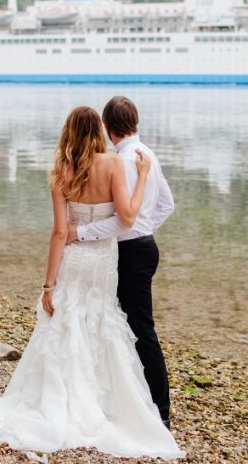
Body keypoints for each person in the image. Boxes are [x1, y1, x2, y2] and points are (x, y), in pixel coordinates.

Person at [0, 106, 185, 460]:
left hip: (73, 260)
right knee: (103, 324)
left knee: (67, 323)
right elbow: (129, 218)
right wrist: (143, 176)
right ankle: (110, 403)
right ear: (99, 131)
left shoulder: (59, 172)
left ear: (68, 133)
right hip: (103, 261)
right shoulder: (116, 163)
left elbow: (58, 233)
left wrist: (48, 284)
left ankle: (63, 399)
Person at [67, 96, 175, 428]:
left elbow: (123, 220)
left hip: (130, 251)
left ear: (108, 126)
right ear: (135, 122)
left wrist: (81, 232)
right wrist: (145, 230)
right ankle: (129, 399)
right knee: (122, 326)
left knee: (138, 329)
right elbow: (166, 205)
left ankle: (159, 410)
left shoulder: (125, 161)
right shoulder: (148, 154)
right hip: (144, 247)